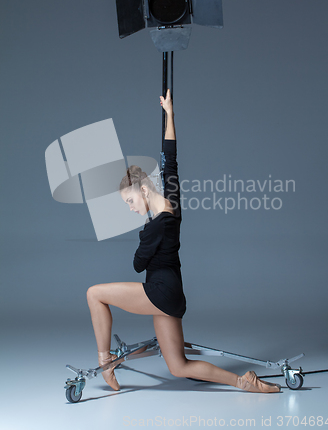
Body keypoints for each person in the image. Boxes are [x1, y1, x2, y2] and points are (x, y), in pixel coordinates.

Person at [86, 89, 281, 394]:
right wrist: (169, 114)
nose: (130, 206)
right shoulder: (172, 203)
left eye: (130, 199)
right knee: (179, 366)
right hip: (173, 296)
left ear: (144, 190)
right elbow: (170, 157)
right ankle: (244, 381)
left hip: (160, 293)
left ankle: (106, 360)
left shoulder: (154, 225)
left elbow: (138, 265)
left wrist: (144, 227)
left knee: (94, 294)